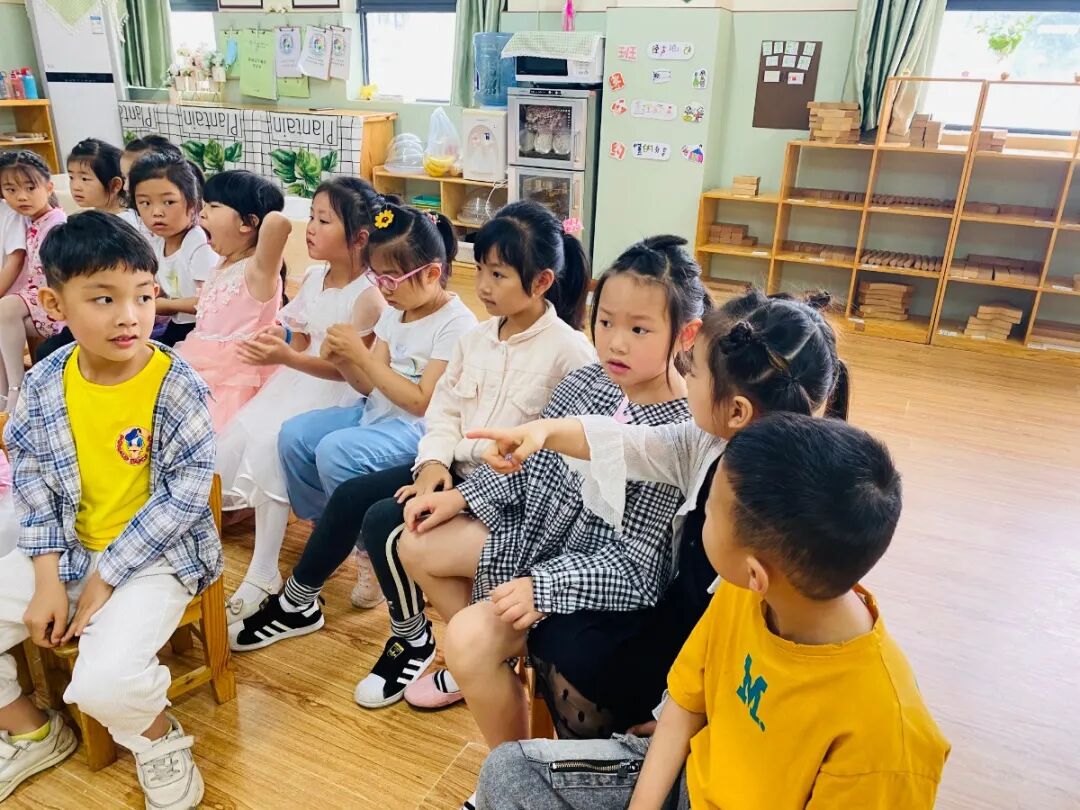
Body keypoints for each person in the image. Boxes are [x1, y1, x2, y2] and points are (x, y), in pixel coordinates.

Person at [474, 413, 951, 810]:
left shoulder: (888, 740)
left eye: (710, 511)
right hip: (691, 782)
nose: (699, 515)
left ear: (755, 571)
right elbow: (687, 702)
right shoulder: (748, 592)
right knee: (508, 774)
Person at [228, 202, 595, 715]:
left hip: (509, 493)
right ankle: (303, 602)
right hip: (456, 471)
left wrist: (459, 487)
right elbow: (444, 412)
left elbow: (563, 457)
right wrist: (433, 465)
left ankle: (421, 639)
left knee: (386, 521)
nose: (483, 285)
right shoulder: (477, 339)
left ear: (541, 282)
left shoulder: (569, 351)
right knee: (353, 496)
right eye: (481, 270)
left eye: (498, 275)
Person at [397, 236, 710, 726]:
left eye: (639, 329)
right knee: (415, 542)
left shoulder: (680, 432)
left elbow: (638, 567)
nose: (616, 342)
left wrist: (543, 587)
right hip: (537, 541)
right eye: (605, 322)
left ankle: (509, 744)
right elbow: (531, 469)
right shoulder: (586, 381)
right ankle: (496, 664)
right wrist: (460, 497)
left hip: (591, 580)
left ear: (686, 335)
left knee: (467, 639)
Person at [524, 290, 851, 740]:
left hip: (720, 658)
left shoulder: (778, 520)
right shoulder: (710, 441)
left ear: (737, 411)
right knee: (561, 638)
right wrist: (544, 431)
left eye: (693, 371)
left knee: (585, 663)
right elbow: (631, 444)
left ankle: (615, 761)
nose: (684, 379)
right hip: (684, 617)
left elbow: (738, 643)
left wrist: (673, 714)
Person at [0, 211, 221, 809]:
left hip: (156, 560)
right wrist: (48, 578)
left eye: (143, 296)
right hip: (67, 550)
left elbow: (184, 495)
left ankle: (158, 740)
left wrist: (105, 576)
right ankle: (30, 729)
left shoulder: (177, 384)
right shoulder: (46, 382)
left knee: (104, 681)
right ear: (55, 303)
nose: (130, 315)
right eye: (104, 298)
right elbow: (33, 481)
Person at [226, 202, 478, 621]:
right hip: (377, 412)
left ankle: (366, 550)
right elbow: (366, 386)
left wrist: (362, 359)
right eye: (377, 277)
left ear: (432, 273)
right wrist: (344, 360)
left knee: (336, 451)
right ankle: (331, 526)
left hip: (419, 428)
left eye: (392, 279)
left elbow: (422, 401)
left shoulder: (456, 323)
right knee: (293, 435)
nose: (384, 289)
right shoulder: (397, 312)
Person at [218, 177, 387, 615]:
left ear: (359, 237)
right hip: (295, 382)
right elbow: (305, 335)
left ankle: (264, 569)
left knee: (270, 446)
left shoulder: (368, 297)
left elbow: (349, 371)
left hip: (340, 394)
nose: (310, 227)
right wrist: (282, 337)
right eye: (311, 216)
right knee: (239, 438)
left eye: (323, 220)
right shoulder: (315, 277)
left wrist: (288, 357)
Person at [174, 170, 290, 432]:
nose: (203, 213)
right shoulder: (223, 263)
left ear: (248, 222)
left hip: (237, 377)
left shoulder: (259, 270)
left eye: (214, 206)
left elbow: (278, 223)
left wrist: (262, 210)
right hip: (199, 359)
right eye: (204, 205)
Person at [0, 151, 66, 411]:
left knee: (5, 309)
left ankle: (16, 388)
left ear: (48, 187)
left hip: (52, 302)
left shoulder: (55, 224)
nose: (21, 197)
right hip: (34, 298)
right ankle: (5, 393)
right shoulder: (29, 219)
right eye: (11, 189)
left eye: (30, 188)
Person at [130, 153, 218, 347]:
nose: (156, 212)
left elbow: (210, 302)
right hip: (177, 325)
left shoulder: (198, 243)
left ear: (193, 204)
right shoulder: (158, 243)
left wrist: (167, 305)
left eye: (168, 202)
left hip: (203, 329)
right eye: (145, 203)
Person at [66, 138, 125, 215]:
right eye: (71, 177)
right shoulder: (94, 217)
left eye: (84, 179)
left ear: (115, 185)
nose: (75, 187)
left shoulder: (124, 220)